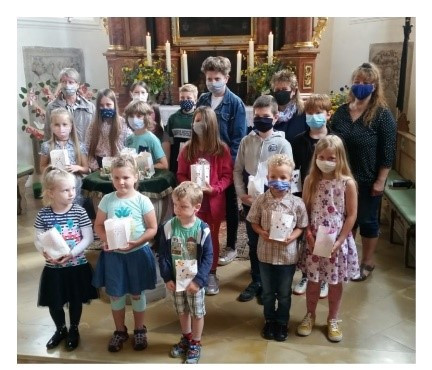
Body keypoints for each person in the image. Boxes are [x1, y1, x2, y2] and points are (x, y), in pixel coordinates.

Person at [331, 62, 397, 281]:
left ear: (374, 86)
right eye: (357, 82)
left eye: (365, 83)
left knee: (367, 221)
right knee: (347, 219)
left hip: (368, 179)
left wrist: (381, 180)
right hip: (341, 178)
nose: (360, 86)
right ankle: (348, 259)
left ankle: (367, 261)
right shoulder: (341, 112)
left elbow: (388, 150)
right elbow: (331, 141)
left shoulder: (381, 115)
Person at [92, 155, 158, 352]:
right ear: (111, 178)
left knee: (137, 293)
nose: (121, 182)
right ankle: (120, 331)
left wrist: (138, 241)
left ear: (136, 177)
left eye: (126, 178)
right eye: (116, 178)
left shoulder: (143, 200)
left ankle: (139, 329)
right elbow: (98, 224)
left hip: (137, 254)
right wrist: (105, 240)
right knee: (116, 295)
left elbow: (152, 228)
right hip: (114, 257)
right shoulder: (107, 200)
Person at [296, 135, 359, 342]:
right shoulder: (310, 180)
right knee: (313, 281)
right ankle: (310, 314)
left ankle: (333, 318)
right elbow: (304, 209)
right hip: (314, 238)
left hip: (336, 242)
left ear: (339, 158)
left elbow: (351, 215)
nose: (325, 161)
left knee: (334, 282)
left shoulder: (347, 183)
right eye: (321, 157)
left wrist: (340, 241)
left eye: (331, 158)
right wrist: (307, 234)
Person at [233, 95, 293, 303]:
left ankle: (271, 285)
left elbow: (288, 174)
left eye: (265, 116)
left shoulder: (283, 143)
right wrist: (241, 193)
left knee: (273, 242)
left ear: (275, 117)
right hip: (251, 201)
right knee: (254, 241)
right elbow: (238, 169)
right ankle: (257, 280)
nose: (261, 120)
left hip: (274, 203)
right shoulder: (246, 141)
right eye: (257, 116)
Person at [34, 166, 98, 351]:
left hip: (76, 265)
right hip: (54, 268)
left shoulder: (79, 211)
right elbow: (38, 238)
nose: (71, 193)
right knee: (55, 301)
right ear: (51, 193)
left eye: (73, 189)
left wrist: (71, 253)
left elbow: (88, 237)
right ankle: (60, 329)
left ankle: (74, 329)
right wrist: (44, 252)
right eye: (65, 190)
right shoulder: (43, 214)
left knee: (75, 299)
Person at [247, 154, 308, 342]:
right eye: (273, 176)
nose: (277, 181)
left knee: (283, 293)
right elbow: (253, 222)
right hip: (265, 254)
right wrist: (261, 232)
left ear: (291, 179)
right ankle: (269, 320)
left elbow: (302, 225)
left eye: (283, 178)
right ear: (267, 177)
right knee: (267, 292)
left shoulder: (297, 203)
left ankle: (281, 322)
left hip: (287, 256)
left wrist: (293, 237)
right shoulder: (261, 200)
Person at [177, 106, 233, 295]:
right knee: (191, 238)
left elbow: (227, 176)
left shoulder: (221, 150)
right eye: (195, 120)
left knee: (211, 239)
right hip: (193, 205)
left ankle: (211, 272)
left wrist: (214, 189)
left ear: (210, 124)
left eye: (201, 121)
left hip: (213, 203)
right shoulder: (187, 149)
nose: (197, 124)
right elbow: (181, 173)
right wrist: (189, 187)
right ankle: (192, 272)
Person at [196, 56, 246, 266]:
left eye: (217, 78)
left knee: (229, 204)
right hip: (204, 161)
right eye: (209, 78)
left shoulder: (235, 103)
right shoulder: (203, 100)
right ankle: (205, 241)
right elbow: (197, 128)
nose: (212, 82)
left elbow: (238, 138)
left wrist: (231, 167)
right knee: (207, 202)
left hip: (226, 162)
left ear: (226, 78)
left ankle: (231, 245)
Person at [157, 181, 213, 364]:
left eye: (183, 206)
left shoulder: (202, 229)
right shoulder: (167, 227)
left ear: (196, 207)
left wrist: (199, 280)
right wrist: (167, 277)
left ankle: (196, 343)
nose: (177, 209)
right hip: (176, 279)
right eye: (175, 205)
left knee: (197, 312)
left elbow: (208, 257)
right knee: (182, 311)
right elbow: (163, 255)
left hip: (195, 281)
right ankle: (186, 338)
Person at [291, 94, 333, 298]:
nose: (314, 116)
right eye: (309, 113)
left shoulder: (335, 139)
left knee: (324, 235)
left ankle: (323, 277)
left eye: (318, 113)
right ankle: (307, 274)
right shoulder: (299, 140)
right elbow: (294, 170)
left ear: (328, 115)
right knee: (306, 235)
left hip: (328, 197)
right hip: (304, 194)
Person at [39, 107, 89, 206]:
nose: (61, 128)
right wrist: (51, 168)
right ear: (51, 126)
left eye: (65, 124)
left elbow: (86, 168)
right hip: (55, 186)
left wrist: (77, 167)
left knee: (74, 211)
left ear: (71, 127)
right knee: (58, 210)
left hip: (74, 187)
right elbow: (42, 167)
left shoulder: (79, 146)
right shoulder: (47, 146)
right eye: (57, 125)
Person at [44, 67, 95, 143]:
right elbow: (48, 133)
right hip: (61, 151)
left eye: (71, 82)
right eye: (64, 82)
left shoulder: (89, 107)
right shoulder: (51, 107)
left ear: (77, 85)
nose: (67, 85)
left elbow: (95, 132)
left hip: (85, 151)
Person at [85, 89, 131, 171]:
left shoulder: (122, 122)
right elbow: (88, 147)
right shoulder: (93, 125)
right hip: (99, 165)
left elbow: (128, 144)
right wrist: (96, 168)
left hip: (119, 163)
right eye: (101, 105)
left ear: (114, 105)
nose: (105, 108)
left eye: (108, 104)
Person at [124, 100, 169, 169]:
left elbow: (164, 165)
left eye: (139, 116)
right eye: (131, 116)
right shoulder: (128, 139)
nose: (134, 119)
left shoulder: (151, 139)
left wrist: (148, 167)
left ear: (147, 117)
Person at [165, 84, 198, 174]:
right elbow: (168, 140)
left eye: (189, 98)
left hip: (194, 157)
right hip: (176, 157)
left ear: (195, 100)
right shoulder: (173, 118)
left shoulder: (198, 117)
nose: (185, 100)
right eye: (182, 98)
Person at [270, 69, 307, 144]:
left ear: (293, 91)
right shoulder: (269, 112)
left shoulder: (303, 112)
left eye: (284, 89)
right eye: (277, 90)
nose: (280, 92)